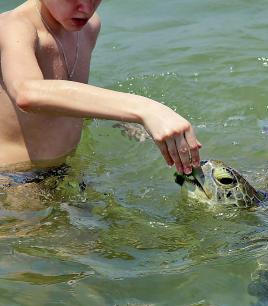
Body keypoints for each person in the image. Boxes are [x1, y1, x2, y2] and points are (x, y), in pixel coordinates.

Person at [0, 0, 200, 183]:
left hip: (69, 169)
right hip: (15, 177)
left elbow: (66, 92)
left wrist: (119, 119)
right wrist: (144, 109)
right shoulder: (13, 26)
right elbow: (27, 93)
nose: (86, 8)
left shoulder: (88, 27)